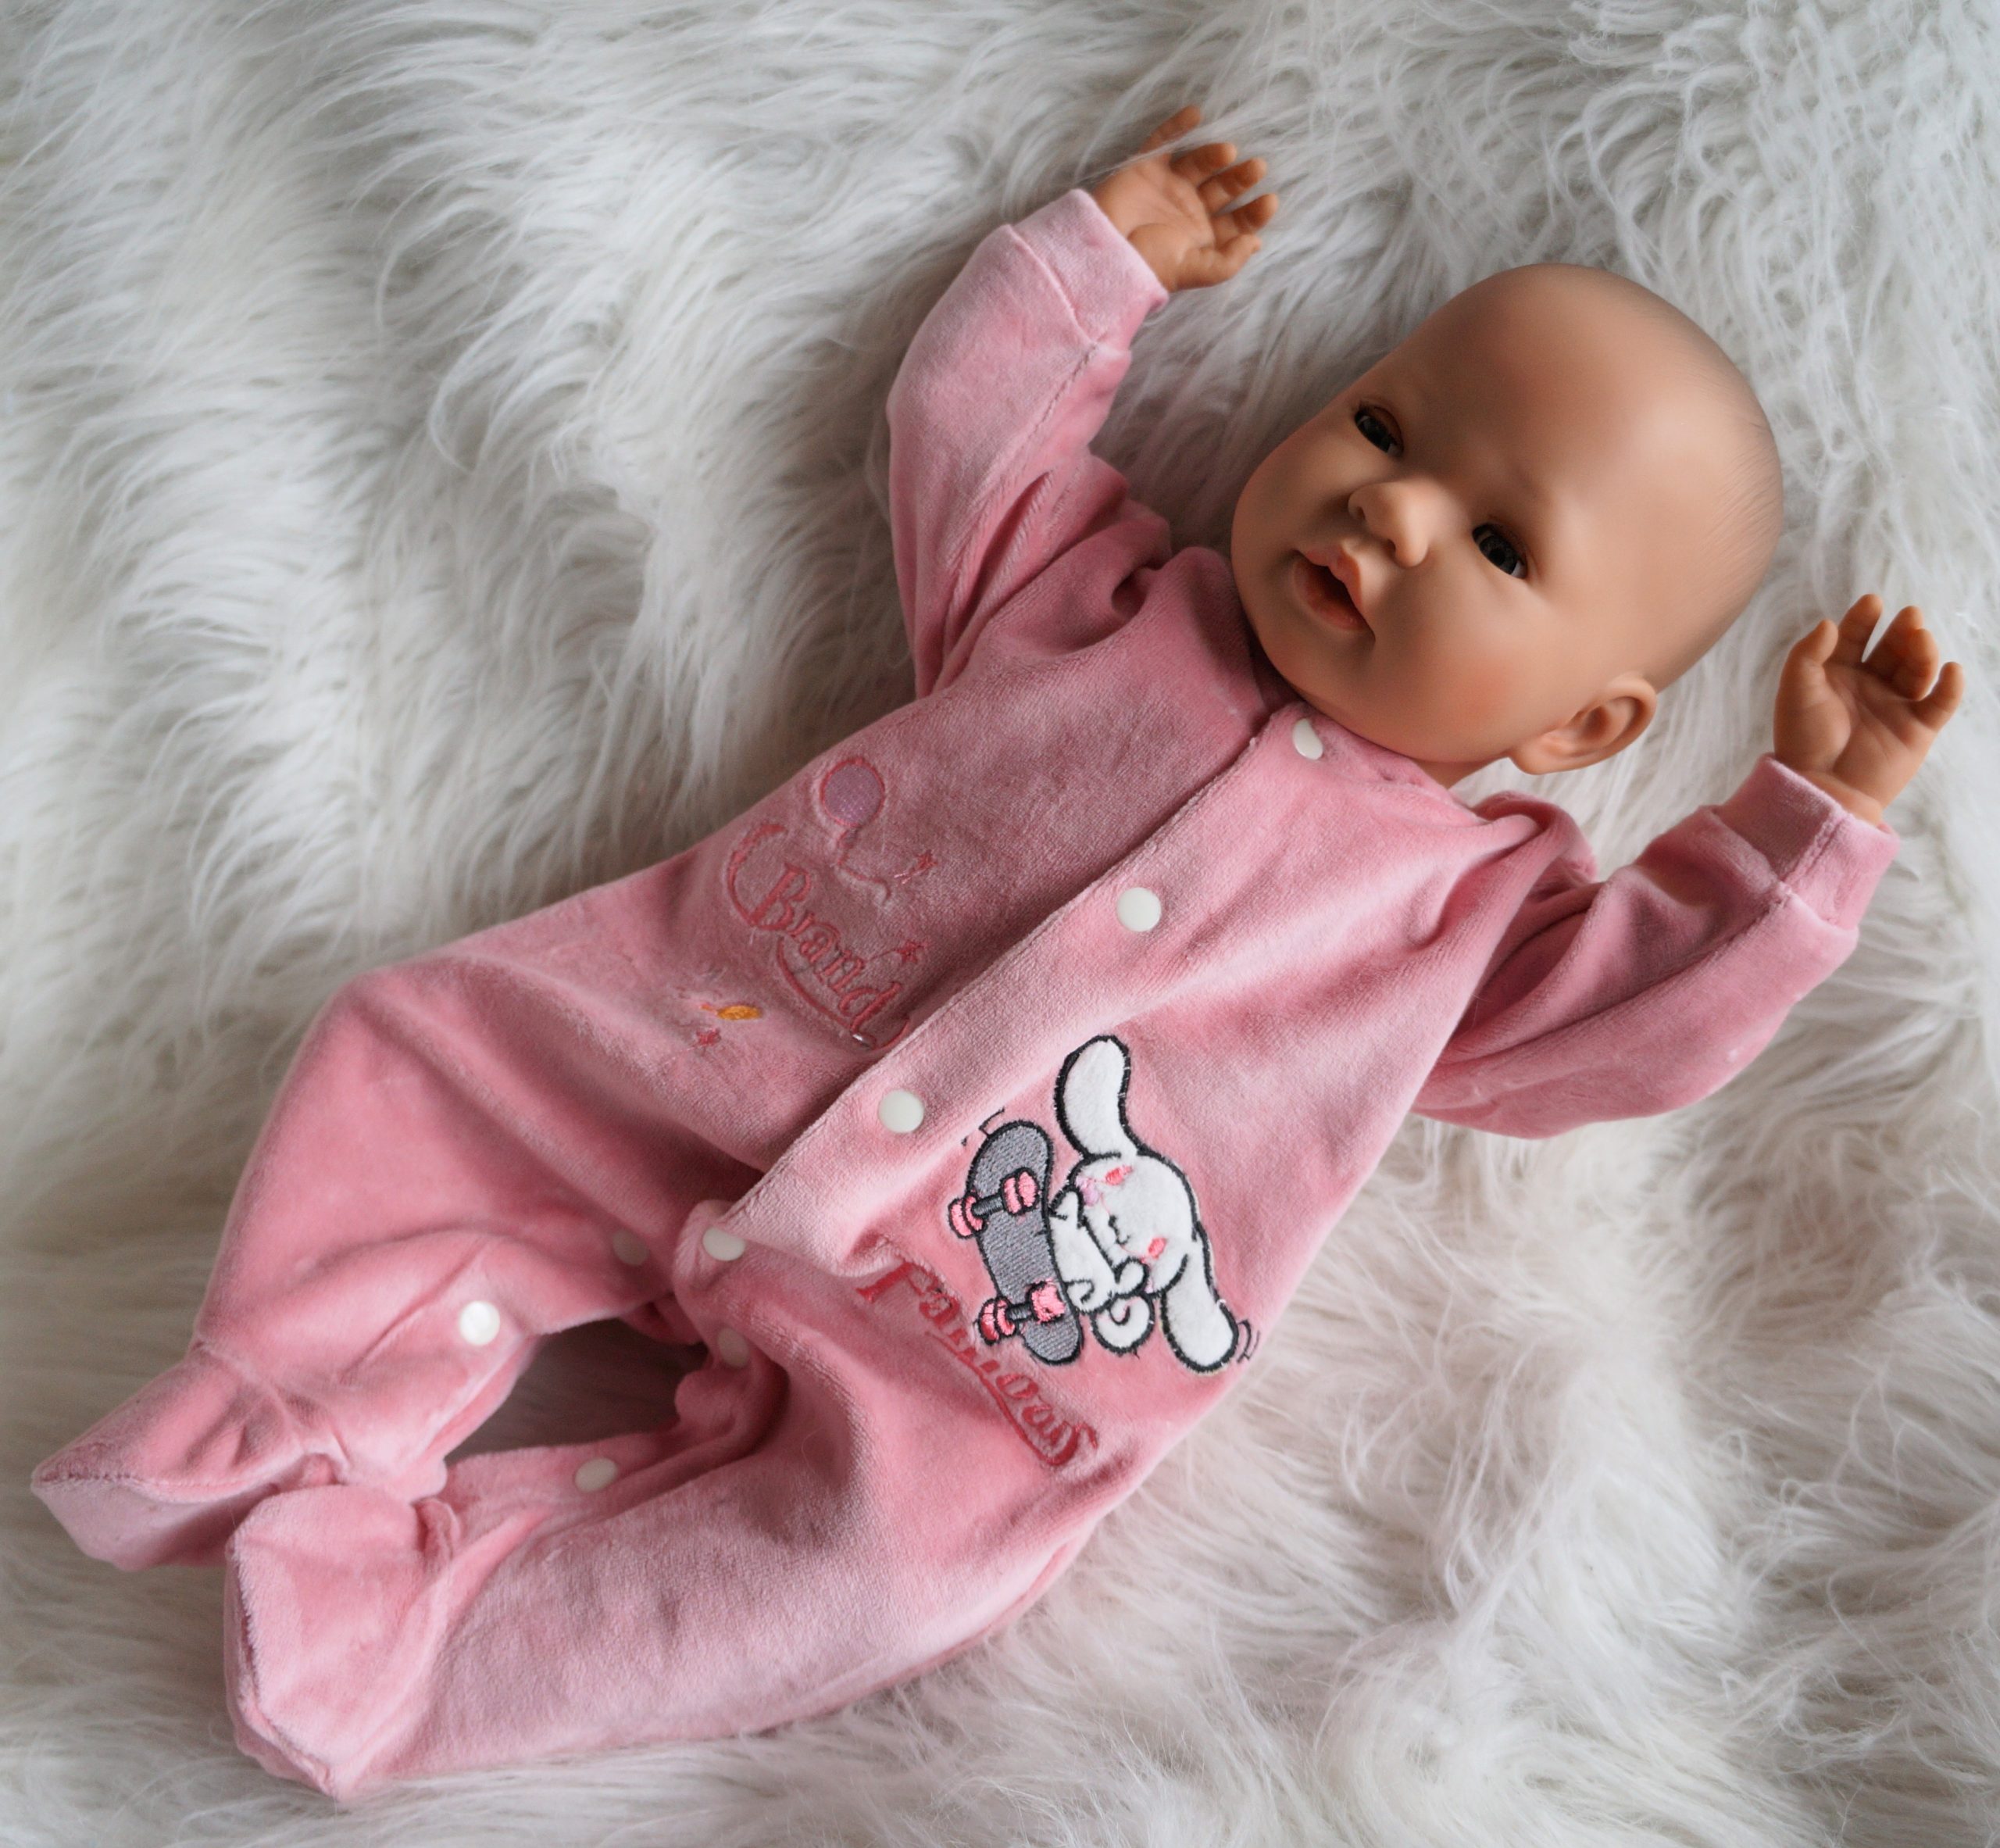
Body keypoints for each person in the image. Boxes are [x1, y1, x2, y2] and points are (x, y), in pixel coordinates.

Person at [33, 104, 1961, 1799]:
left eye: (1501, 546)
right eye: (1385, 424)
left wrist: (1809, 820)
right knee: (423, 1052)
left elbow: (1641, 1023)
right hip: (699, 1037)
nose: (1392, 504)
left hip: (983, 1344)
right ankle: (277, 1408)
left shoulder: (1465, 921)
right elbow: (967, 435)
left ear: (1580, 727)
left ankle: (410, 1636)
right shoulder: (1095, 595)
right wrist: (1095, 266)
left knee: (877, 1570)